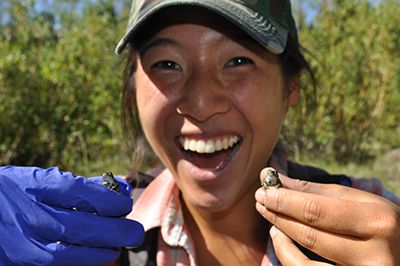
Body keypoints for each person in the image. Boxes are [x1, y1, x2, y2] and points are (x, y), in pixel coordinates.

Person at [0, 0, 399, 265]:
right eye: (167, 64)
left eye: (238, 60)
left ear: (289, 88)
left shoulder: (377, 224)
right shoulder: (77, 227)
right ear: (133, 84)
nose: (201, 102)